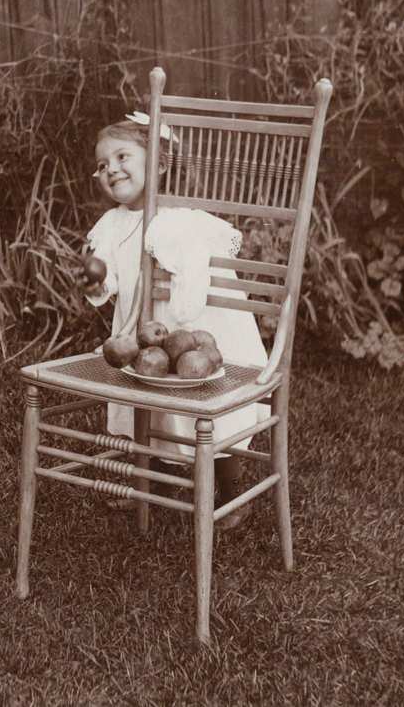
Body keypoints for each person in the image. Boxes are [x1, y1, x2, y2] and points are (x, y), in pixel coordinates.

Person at [78, 113, 270, 529]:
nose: (110, 168)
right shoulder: (111, 225)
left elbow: (198, 275)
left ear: (160, 164)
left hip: (199, 333)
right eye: (102, 164)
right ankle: (157, 483)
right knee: (152, 408)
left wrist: (180, 294)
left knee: (213, 413)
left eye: (122, 156)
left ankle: (231, 491)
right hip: (144, 340)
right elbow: (106, 283)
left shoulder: (183, 220)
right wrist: (93, 276)